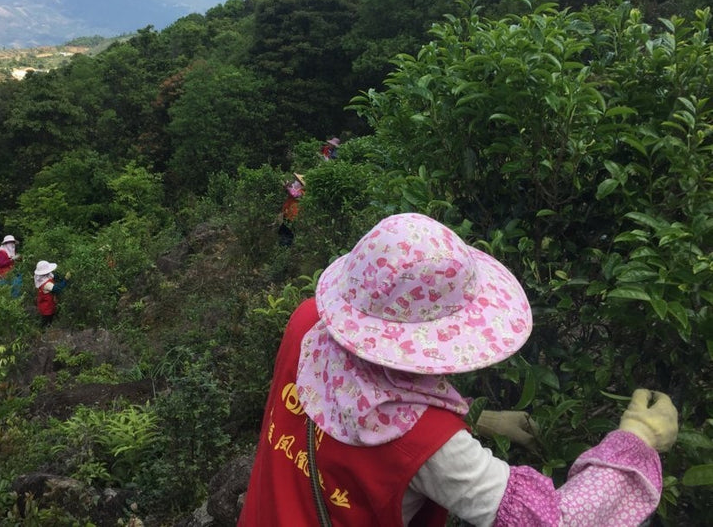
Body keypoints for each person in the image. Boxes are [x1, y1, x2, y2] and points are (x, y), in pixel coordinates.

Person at [239, 213, 678, 526]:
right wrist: (638, 438)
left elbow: (357, 399)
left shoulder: (308, 322)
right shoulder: (433, 450)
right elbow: (552, 521)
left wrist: (477, 419)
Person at [33, 260, 70, 327]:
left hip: (46, 303)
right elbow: (57, 288)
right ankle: (42, 331)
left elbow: (52, 276)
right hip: (46, 306)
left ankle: (46, 328)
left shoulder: (41, 276)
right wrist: (65, 280)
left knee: (49, 317)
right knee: (46, 320)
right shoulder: (46, 284)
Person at [278, 173, 305, 247]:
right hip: (287, 214)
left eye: (297, 181)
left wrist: (288, 188)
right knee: (283, 230)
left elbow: (294, 194)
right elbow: (290, 192)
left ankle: (285, 247)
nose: (294, 182)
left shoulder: (302, 192)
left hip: (292, 216)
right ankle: (283, 247)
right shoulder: (295, 190)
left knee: (287, 233)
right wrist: (286, 187)